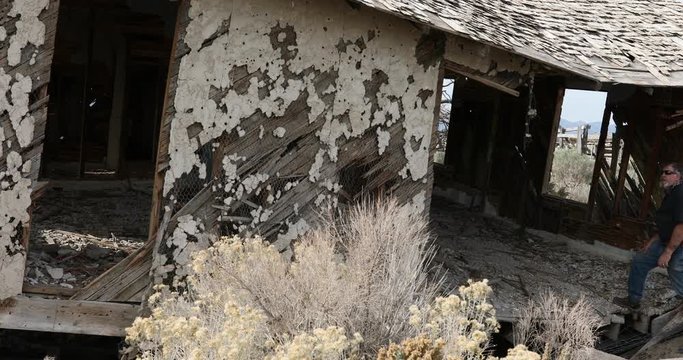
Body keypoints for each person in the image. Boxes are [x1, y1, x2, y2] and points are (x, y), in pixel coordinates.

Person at [614, 162, 683, 310]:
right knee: (641, 260)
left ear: (678, 177)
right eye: (662, 172)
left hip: (679, 244)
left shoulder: (681, 194)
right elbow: (667, 224)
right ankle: (633, 301)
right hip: (667, 241)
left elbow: (681, 226)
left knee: (675, 269)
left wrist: (668, 252)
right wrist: (652, 241)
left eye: (667, 173)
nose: (662, 175)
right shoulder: (671, 194)